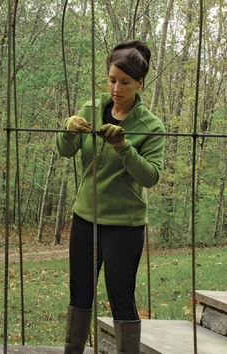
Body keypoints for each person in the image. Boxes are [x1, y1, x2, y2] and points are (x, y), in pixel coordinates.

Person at [56, 40, 165, 354]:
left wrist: (124, 148)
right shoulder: (91, 109)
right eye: (112, 80)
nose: (116, 88)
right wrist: (68, 129)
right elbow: (63, 150)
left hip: (123, 226)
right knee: (80, 294)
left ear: (140, 83)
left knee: (121, 296)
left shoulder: (150, 126)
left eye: (125, 82)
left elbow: (151, 176)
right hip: (85, 219)